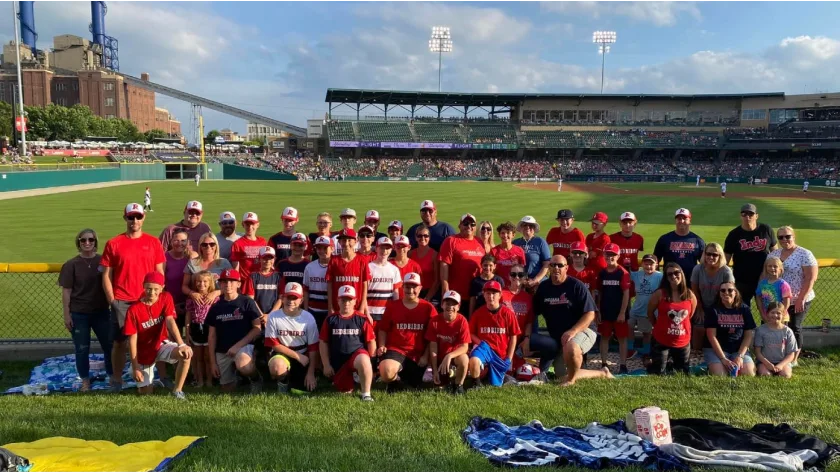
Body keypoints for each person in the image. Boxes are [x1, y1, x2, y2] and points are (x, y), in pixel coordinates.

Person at [101, 203, 165, 393]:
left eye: (138, 217)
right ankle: (117, 378)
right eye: (131, 217)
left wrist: (158, 296)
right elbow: (106, 274)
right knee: (120, 342)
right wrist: (112, 299)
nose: (134, 221)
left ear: (143, 217)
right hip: (122, 300)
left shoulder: (153, 242)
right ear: (125, 218)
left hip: (147, 299)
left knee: (150, 340)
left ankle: (152, 377)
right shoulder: (114, 243)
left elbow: (159, 272)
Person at [532, 256, 612, 386]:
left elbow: (590, 314)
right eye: (552, 265)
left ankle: (571, 381)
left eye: (560, 265)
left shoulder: (576, 286)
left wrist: (573, 331)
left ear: (566, 268)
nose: (556, 268)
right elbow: (534, 313)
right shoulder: (543, 288)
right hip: (559, 337)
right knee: (561, 375)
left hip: (583, 330)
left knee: (572, 348)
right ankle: (602, 373)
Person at [124, 272, 192, 399]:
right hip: (143, 352)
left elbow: (170, 320)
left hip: (160, 343)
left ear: (162, 287)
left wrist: (181, 344)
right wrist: (135, 367)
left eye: (156, 289)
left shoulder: (166, 297)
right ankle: (150, 381)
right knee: (145, 392)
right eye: (149, 288)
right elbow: (132, 340)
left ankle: (177, 391)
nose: (152, 292)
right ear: (143, 286)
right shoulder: (133, 309)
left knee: (186, 353)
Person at [60, 228, 113, 392]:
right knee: (82, 349)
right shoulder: (71, 264)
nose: (87, 243)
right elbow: (66, 291)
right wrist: (67, 314)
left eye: (90, 240)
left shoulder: (103, 262)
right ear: (79, 243)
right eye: (83, 240)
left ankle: (113, 377)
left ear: (96, 242)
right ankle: (85, 380)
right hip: (79, 313)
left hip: (101, 312)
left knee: (109, 346)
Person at [377, 273, 436, 392]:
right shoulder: (393, 306)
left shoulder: (428, 308)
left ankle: (405, 379)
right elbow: (383, 329)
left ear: (420, 288)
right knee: (386, 370)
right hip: (396, 350)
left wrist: (425, 356)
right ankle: (393, 383)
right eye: (408, 287)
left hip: (418, 355)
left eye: (414, 287)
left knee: (414, 384)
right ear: (403, 287)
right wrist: (382, 345)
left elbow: (433, 337)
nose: (411, 290)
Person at [207, 269, 263, 393]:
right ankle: (237, 378)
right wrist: (213, 363)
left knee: (245, 366)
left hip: (243, 346)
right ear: (219, 284)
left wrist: (237, 346)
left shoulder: (247, 302)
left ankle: (256, 379)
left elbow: (257, 329)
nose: (228, 285)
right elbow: (211, 336)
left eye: (232, 281)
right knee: (227, 390)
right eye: (224, 282)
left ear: (239, 284)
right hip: (223, 350)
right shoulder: (216, 307)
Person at [769, 226, 818, 365]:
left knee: (794, 326)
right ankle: (778, 355)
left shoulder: (805, 254)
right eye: (781, 237)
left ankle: (794, 359)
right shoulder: (774, 254)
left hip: (798, 298)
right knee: (778, 326)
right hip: (778, 299)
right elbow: (766, 274)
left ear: (793, 236)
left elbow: (810, 278)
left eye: (787, 236)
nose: (784, 240)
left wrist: (801, 299)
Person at [319, 285, 377, 401]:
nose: (346, 303)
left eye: (349, 300)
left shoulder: (362, 319)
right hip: (338, 362)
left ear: (355, 301)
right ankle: (354, 378)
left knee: (363, 360)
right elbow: (323, 342)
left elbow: (371, 342)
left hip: (356, 356)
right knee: (344, 391)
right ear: (338, 300)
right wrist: (326, 365)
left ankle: (366, 394)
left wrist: (371, 364)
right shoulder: (331, 319)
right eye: (343, 299)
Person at [265, 282, 319, 393]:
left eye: (295, 298)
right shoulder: (274, 316)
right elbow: (273, 344)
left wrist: (311, 372)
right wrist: (297, 356)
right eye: (288, 297)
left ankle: (297, 378)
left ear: (301, 300)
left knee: (304, 391)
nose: (291, 301)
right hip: (283, 354)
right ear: (282, 298)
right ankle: (282, 382)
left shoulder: (308, 318)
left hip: (304, 355)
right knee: (277, 367)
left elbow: (314, 348)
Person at [646, 263, 698, 375]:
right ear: (666, 277)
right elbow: (650, 312)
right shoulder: (659, 294)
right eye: (670, 274)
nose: (673, 276)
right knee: (658, 373)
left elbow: (690, 315)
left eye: (676, 273)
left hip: (682, 342)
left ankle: (670, 364)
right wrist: (658, 325)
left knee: (682, 373)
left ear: (682, 274)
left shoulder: (690, 295)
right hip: (661, 340)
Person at [467, 281, 520, 388]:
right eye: (488, 293)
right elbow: (471, 333)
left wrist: (509, 358)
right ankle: (475, 384)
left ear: (500, 295)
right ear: (484, 295)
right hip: (484, 349)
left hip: (500, 353)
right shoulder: (478, 313)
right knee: (474, 360)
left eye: (494, 293)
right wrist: (480, 343)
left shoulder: (507, 313)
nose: (491, 296)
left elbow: (514, 336)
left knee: (495, 385)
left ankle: (489, 375)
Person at [724, 203, 777, 309]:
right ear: (740, 216)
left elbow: (775, 255)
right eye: (744, 214)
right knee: (742, 310)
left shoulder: (766, 230)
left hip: (765, 279)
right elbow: (726, 260)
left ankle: (767, 326)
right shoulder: (733, 234)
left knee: (769, 309)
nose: (747, 216)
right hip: (742, 281)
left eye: (750, 214)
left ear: (756, 216)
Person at [704, 282, 756, 377]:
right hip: (717, 349)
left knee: (749, 373)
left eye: (730, 290)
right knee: (720, 375)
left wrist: (740, 356)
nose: (726, 292)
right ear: (719, 293)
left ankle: (733, 366)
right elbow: (711, 336)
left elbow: (748, 334)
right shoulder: (713, 310)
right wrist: (723, 358)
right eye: (723, 290)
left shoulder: (744, 309)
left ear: (735, 292)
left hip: (737, 349)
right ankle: (713, 365)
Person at [595, 244, 631, 374]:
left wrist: (622, 312)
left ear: (618, 256)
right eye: (607, 254)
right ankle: (604, 363)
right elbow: (598, 292)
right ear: (604, 255)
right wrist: (597, 310)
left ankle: (622, 364)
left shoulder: (622, 272)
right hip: (605, 310)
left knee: (622, 338)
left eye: (613, 255)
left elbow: (626, 293)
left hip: (619, 311)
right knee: (604, 337)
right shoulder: (602, 273)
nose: (610, 257)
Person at [426, 290, 470, 394]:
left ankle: (458, 385)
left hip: (454, 356)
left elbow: (465, 347)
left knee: (464, 359)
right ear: (442, 305)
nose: (450, 307)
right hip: (440, 359)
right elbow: (433, 348)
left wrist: (449, 355)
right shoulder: (434, 321)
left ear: (458, 307)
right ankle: (440, 377)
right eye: (447, 303)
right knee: (439, 387)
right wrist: (435, 370)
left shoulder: (462, 321)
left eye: (454, 304)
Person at [439, 213, 486, 303]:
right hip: (456, 294)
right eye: (465, 224)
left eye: (472, 224)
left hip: (477, 294)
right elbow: (444, 264)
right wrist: (445, 288)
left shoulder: (479, 242)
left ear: (475, 228)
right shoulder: (451, 240)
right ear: (459, 226)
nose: (469, 226)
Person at [185, 271, 218, 388]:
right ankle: (200, 381)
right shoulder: (192, 298)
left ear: (210, 283)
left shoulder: (215, 299)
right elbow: (188, 315)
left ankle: (209, 381)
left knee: (208, 357)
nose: (202, 284)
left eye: (205, 281)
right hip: (196, 329)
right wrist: (187, 331)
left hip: (209, 329)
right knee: (198, 358)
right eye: (199, 281)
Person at [326, 229, 371, 316]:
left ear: (356, 241)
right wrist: (330, 307)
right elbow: (329, 285)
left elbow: (365, 285)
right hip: (338, 308)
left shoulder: (362, 260)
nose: (346, 243)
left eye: (349, 240)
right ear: (339, 242)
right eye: (343, 240)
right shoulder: (334, 260)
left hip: (356, 308)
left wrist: (362, 307)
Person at [501, 264, 535, 372]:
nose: (516, 277)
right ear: (509, 276)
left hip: (520, 339)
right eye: (513, 274)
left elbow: (529, 322)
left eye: (520, 275)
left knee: (525, 370)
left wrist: (527, 338)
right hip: (503, 338)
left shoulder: (528, 298)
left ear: (525, 277)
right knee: (508, 370)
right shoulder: (501, 294)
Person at [653, 208, 705, 278]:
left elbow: (705, 263)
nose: (681, 221)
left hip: (690, 281)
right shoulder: (664, 239)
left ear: (690, 221)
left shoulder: (698, 241)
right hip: (670, 280)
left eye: (684, 218)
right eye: (679, 219)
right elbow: (655, 261)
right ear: (675, 221)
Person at [629, 254, 662, 358]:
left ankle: (646, 351)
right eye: (646, 264)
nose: (648, 267)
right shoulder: (637, 274)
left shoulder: (659, 276)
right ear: (642, 264)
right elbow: (626, 273)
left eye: (651, 264)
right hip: (636, 307)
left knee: (646, 332)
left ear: (656, 264)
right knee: (628, 326)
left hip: (649, 310)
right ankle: (630, 349)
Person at [182, 233, 232, 299]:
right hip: (198, 302)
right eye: (204, 245)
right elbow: (184, 286)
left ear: (216, 246)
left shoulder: (224, 262)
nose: (208, 247)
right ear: (200, 246)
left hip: (220, 301)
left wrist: (216, 293)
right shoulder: (192, 262)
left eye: (212, 244)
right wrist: (192, 293)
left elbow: (232, 285)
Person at [754, 302, 797, 378]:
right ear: (767, 314)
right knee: (765, 375)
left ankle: (783, 369)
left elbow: (791, 354)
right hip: (764, 362)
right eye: (772, 312)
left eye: (778, 313)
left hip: (782, 362)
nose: (775, 315)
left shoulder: (788, 331)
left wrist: (781, 365)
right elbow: (757, 353)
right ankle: (763, 369)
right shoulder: (760, 330)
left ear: (783, 315)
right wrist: (767, 364)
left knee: (785, 375)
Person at [366, 237, 402, 327]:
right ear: (376, 248)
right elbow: (363, 292)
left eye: (387, 248)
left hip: (387, 312)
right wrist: (366, 312)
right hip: (370, 312)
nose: (384, 251)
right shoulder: (369, 267)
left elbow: (395, 294)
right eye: (382, 248)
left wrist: (395, 312)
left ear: (391, 250)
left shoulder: (394, 269)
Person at [242, 246, 283, 318]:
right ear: (259, 259)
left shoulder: (278, 276)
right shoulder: (253, 276)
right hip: (256, 315)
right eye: (264, 258)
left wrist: (270, 315)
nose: (267, 261)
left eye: (270, 258)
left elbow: (281, 298)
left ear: (275, 259)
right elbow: (250, 299)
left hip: (274, 315)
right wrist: (261, 315)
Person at [303, 236, 333, 330]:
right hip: (313, 310)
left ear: (332, 248)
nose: (322, 251)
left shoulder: (336, 265)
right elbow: (306, 290)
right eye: (319, 248)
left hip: (330, 310)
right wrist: (306, 310)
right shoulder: (310, 267)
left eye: (325, 248)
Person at [229, 212, 267, 285]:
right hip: (245, 282)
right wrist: (237, 282)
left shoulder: (262, 241)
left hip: (261, 281)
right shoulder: (237, 244)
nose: (250, 227)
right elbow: (236, 268)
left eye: (252, 224)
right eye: (247, 224)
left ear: (257, 225)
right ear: (243, 225)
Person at [513, 216, 551, 288]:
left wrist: (535, 280)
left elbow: (546, 264)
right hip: (519, 281)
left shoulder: (540, 241)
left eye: (530, 225)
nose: (527, 227)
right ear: (521, 228)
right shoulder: (515, 243)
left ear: (534, 228)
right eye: (525, 225)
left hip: (538, 282)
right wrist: (522, 280)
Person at [409, 225, 440, 303]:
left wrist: (427, 298)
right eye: (419, 236)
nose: (422, 238)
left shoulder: (434, 255)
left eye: (425, 236)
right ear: (416, 238)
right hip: (413, 292)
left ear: (429, 237)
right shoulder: (410, 254)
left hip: (430, 293)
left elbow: (437, 280)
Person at [756, 256, 792, 322]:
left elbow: (787, 302)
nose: (772, 268)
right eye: (769, 266)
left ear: (780, 269)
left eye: (775, 266)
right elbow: (758, 298)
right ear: (766, 268)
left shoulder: (783, 284)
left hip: (780, 318)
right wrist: (762, 314)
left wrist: (782, 315)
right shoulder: (762, 283)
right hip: (767, 316)